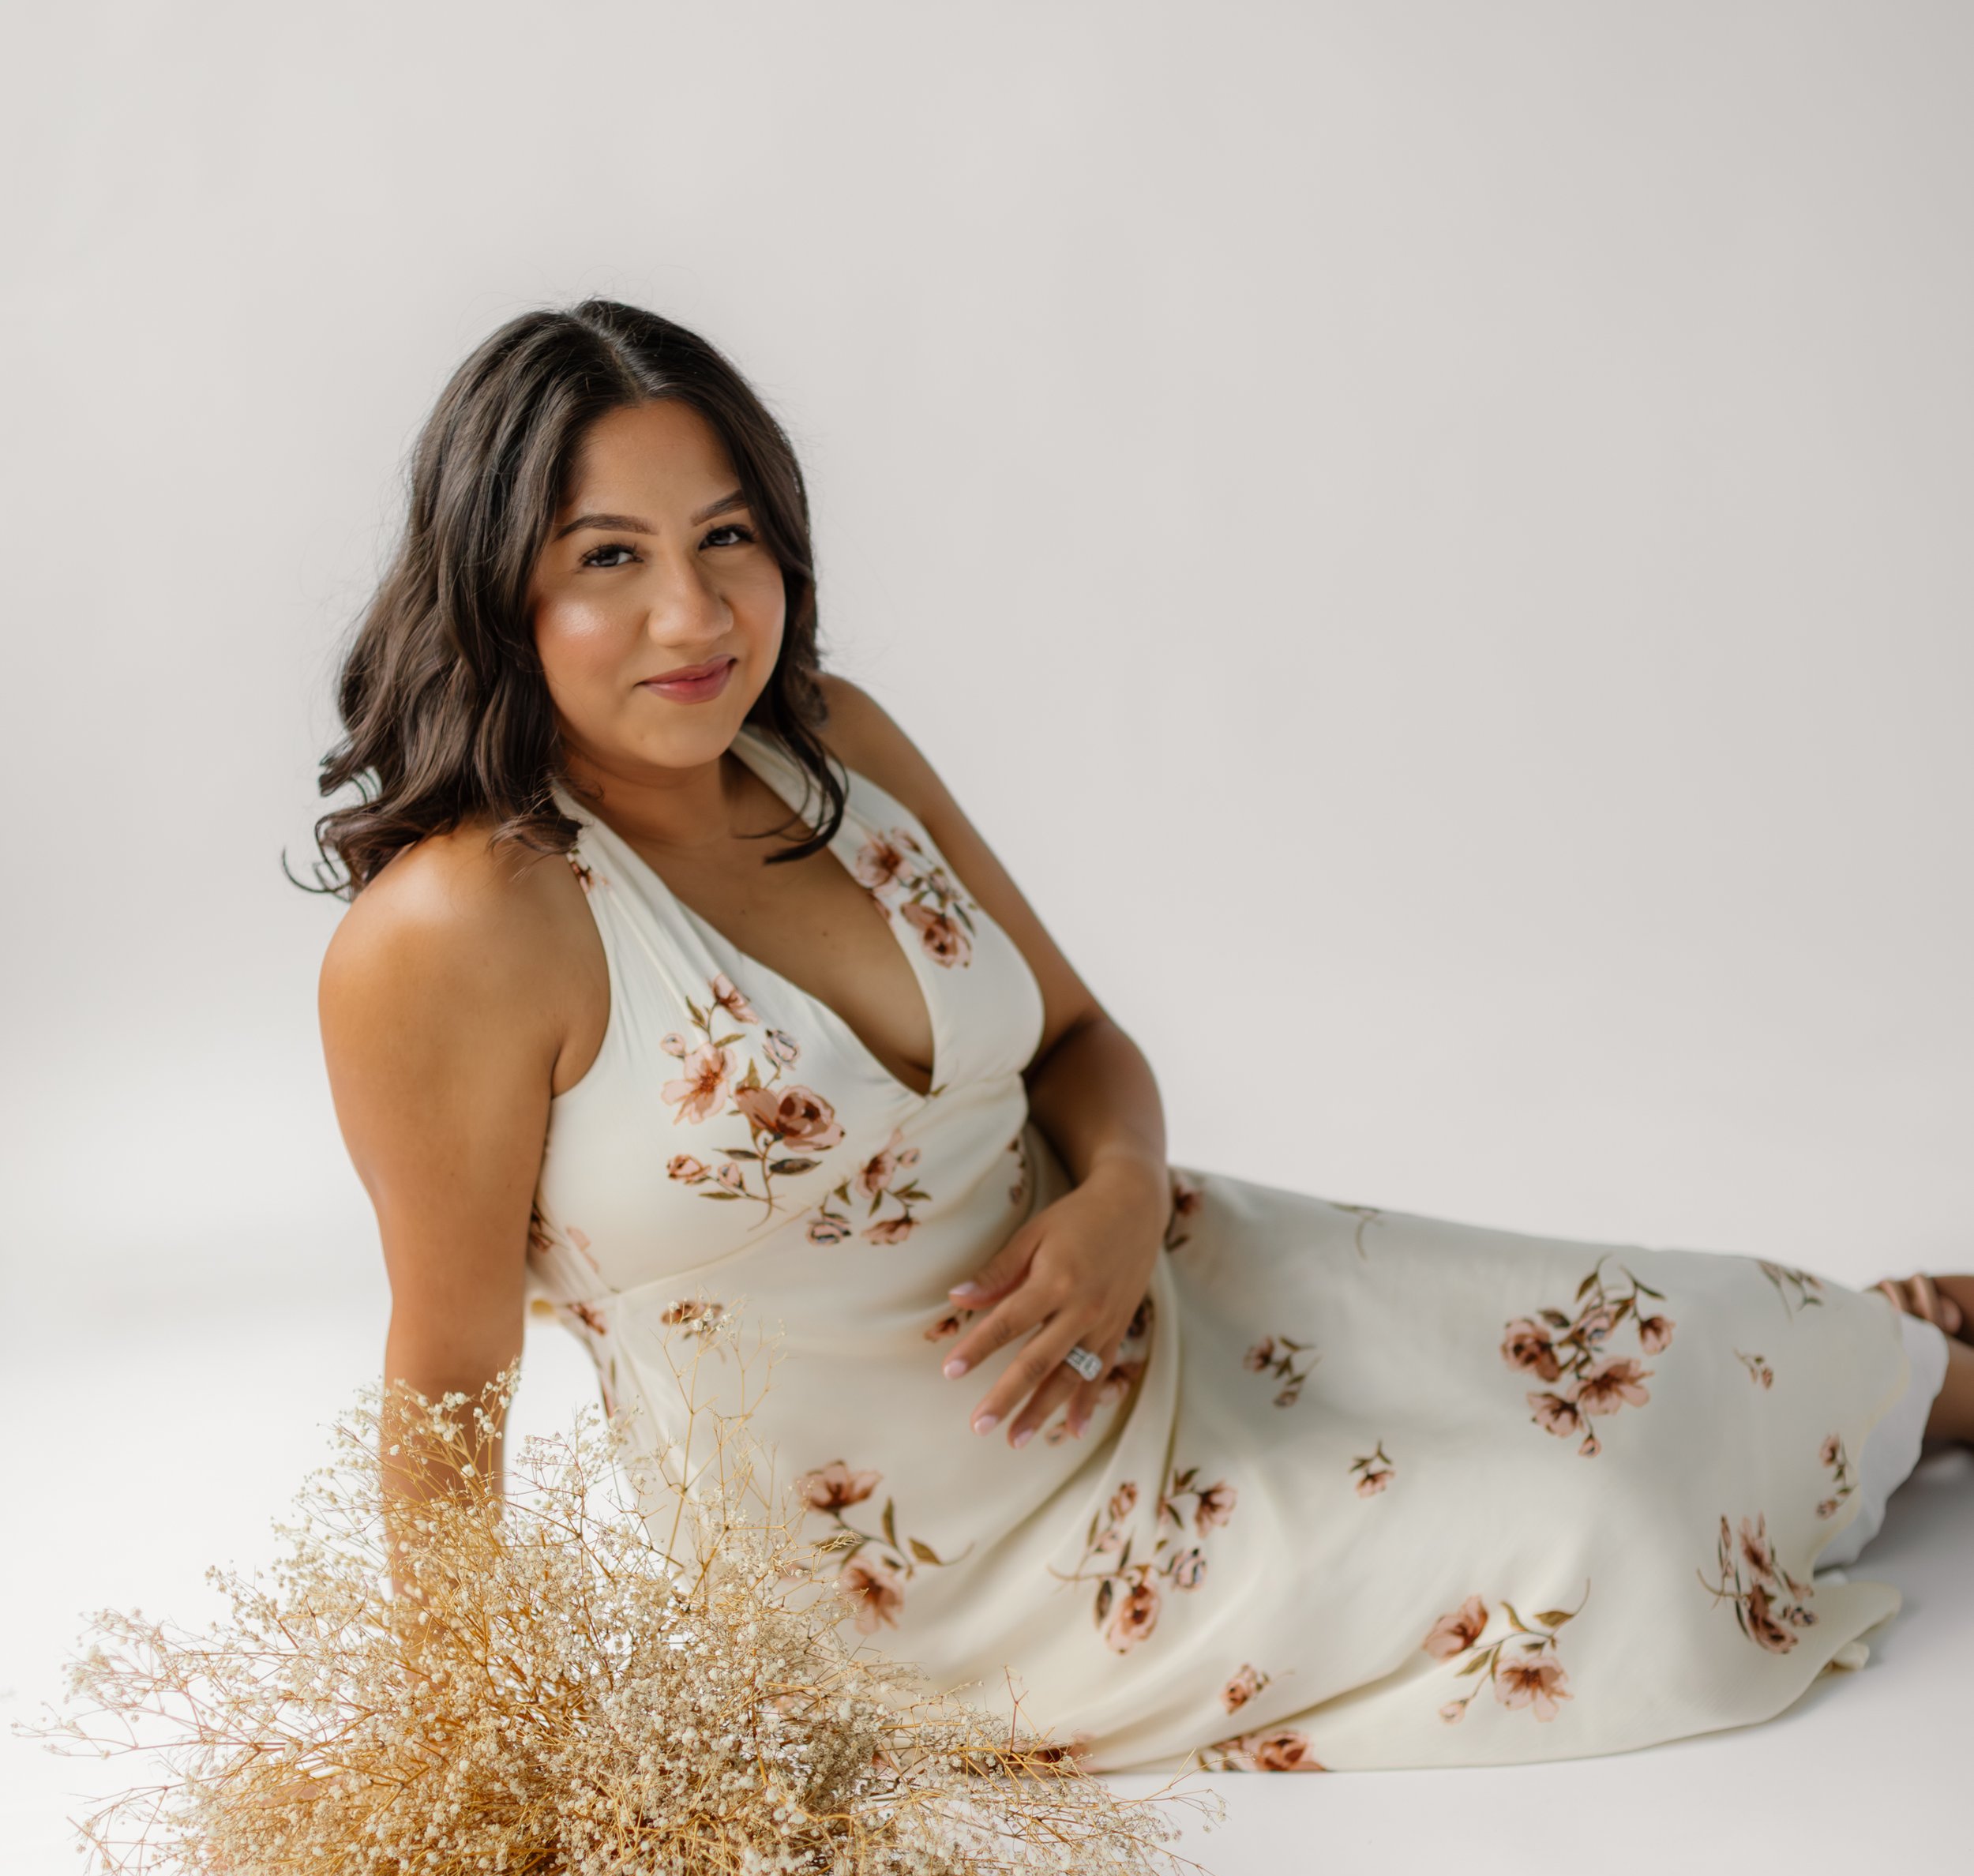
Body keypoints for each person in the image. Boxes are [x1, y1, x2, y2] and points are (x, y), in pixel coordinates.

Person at [317, 299, 1974, 1773]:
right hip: (951, 1575)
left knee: (1697, 1332)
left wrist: (1115, 1197)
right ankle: (1899, 1378)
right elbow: (450, 1372)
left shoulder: (825, 744)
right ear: (495, 583)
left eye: (727, 537)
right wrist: (465, 1756)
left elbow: (1078, 1040)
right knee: (1600, 1535)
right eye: (609, 557)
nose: (694, 617)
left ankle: (1884, 1358)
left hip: (1162, 1287)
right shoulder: (459, 931)